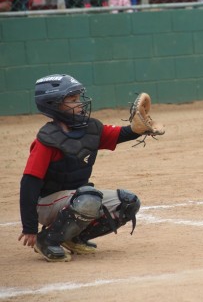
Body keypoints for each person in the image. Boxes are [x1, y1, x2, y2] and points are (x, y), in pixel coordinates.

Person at [18, 74, 161, 262]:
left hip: (76, 198)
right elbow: (29, 183)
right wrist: (29, 228)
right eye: (72, 100)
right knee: (88, 197)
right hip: (45, 204)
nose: (80, 104)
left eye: (78, 98)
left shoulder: (89, 129)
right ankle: (47, 240)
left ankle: (74, 237)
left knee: (128, 203)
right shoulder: (47, 141)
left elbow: (119, 134)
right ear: (53, 104)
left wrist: (137, 129)